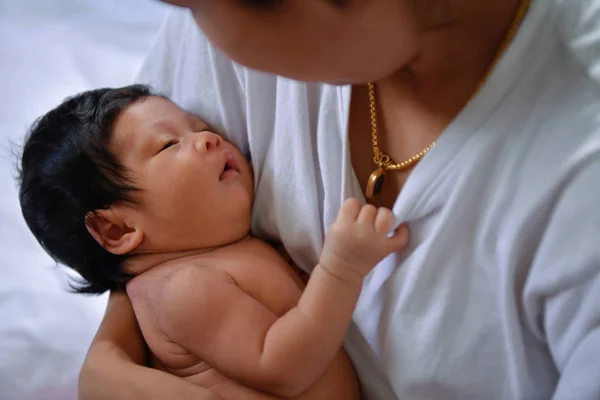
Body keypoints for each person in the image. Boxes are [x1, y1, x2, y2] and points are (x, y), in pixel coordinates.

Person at [79, 0, 600, 399]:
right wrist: (109, 362)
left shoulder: (576, 176)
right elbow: (149, 223)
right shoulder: (226, 37)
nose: (184, 14)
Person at [19, 85, 410, 399]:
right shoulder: (182, 289)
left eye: (199, 126)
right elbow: (285, 370)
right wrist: (341, 269)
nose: (206, 138)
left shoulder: (218, 255)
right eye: (168, 145)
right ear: (118, 230)